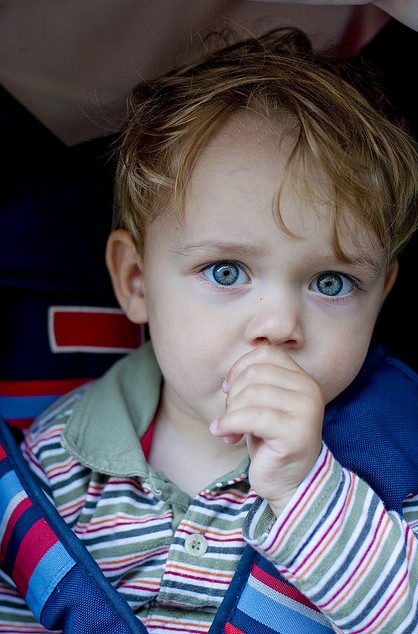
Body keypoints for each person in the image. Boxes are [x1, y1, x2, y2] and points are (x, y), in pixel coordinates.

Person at [2, 25, 418, 634]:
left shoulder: (393, 461)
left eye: (331, 282)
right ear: (137, 282)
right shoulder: (57, 464)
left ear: (381, 294)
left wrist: (308, 491)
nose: (278, 325)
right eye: (227, 271)